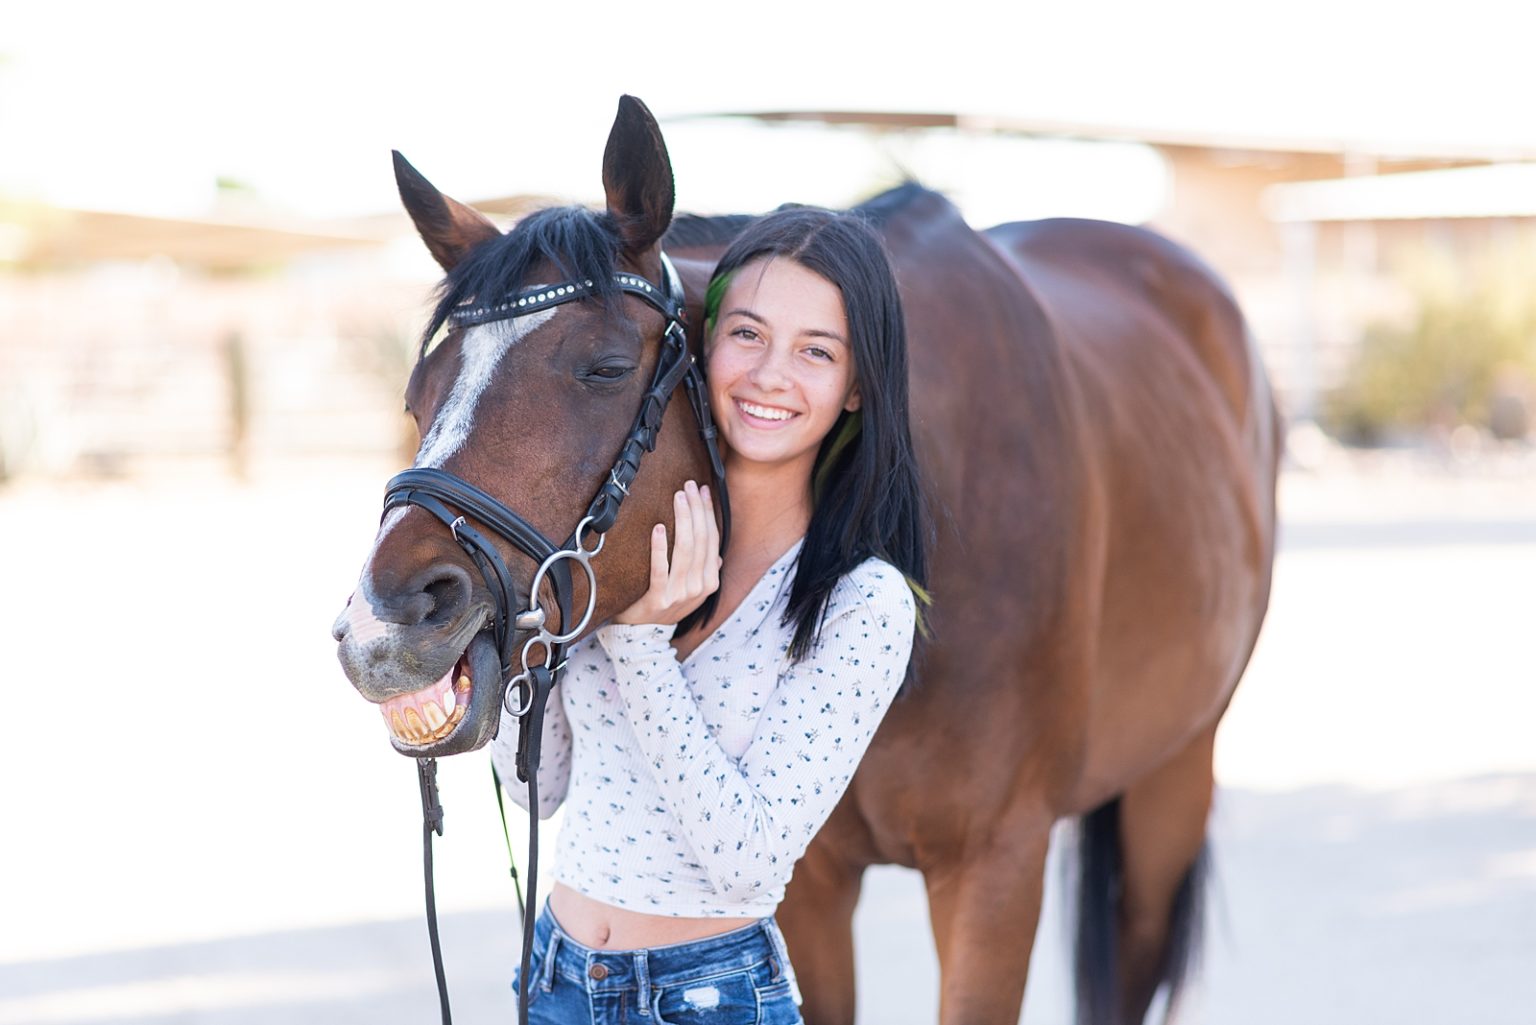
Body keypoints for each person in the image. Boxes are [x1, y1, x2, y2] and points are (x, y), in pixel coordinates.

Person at [490, 206, 929, 1024]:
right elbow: (539, 788)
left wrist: (641, 646)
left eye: (816, 351)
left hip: (704, 1000)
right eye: (749, 334)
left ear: (858, 384)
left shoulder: (862, 602)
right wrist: (505, 643)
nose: (770, 374)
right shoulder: (618, 542)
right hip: (553, 976)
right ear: (705, 338)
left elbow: (748, 855)